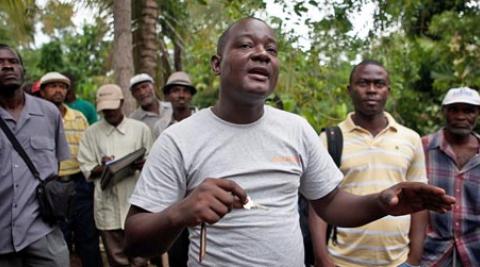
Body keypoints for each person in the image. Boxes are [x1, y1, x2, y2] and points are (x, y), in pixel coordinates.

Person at [123, 18, 455, 266]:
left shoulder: (296, 129)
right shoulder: (178, 139)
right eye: (245, 45)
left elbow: (331, 204)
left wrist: (383, 202)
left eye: (271, 49)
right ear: (216, 64)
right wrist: (180, 213)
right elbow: (135, 240)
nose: (262, 54)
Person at [308, 60, 428, 267]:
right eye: (363, 83)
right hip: (342, 260)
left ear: (388, 91)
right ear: (350, 90)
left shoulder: (410, 139)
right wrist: (322, 258)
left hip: (399, 261)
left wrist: (414, 258)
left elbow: (420, 200)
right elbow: (318, 201)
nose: (371, 90)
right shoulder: (330, 139)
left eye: (378, 84)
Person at [0, 44, 70, 266]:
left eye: (13, 62)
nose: (7, 67)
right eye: (0, 63)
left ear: (23, 71)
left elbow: (55, 167)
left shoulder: (49, 113)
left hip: (42, 231)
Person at [77, 83, 152, 267]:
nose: (109, 112)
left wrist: (141, 164)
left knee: (140, 258)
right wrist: (106, 167)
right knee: (116, 259)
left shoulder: (140, 129)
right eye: (105, 109)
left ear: (122, 102)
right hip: (107, 204)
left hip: (135, 202)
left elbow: (152, 162)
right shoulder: (92, 133)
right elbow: (86, 166)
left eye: (113, 107)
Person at [38, 71, 102, 267]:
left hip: (80, 183)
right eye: (53, 86)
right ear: (42, 91)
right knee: (59, 239)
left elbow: (88, 147)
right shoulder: (36, 117)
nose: (58, 90)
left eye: (62, 86)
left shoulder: (79, 117)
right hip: (52, 186)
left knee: (88, 237)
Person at [421, 87, 480, 266]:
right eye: (454, 110)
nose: (460, 116)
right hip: (430, 255)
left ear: (478, 113)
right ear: (444, 112)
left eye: (468, 110)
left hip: (475, 253)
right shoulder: (422, 148)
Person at [153, 71, 198, 138]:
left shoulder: (204, 122)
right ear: (167, 96)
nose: (181, 95)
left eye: (185, 91)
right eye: (176, 91)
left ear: (191, 96)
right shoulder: (161, 127)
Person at [129, 73, 172, 139]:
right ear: (133, 95)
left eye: (145, 87)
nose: (142, 93)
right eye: (137, 90)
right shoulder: (133, 121)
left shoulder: (171, 108)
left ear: (154, 87)